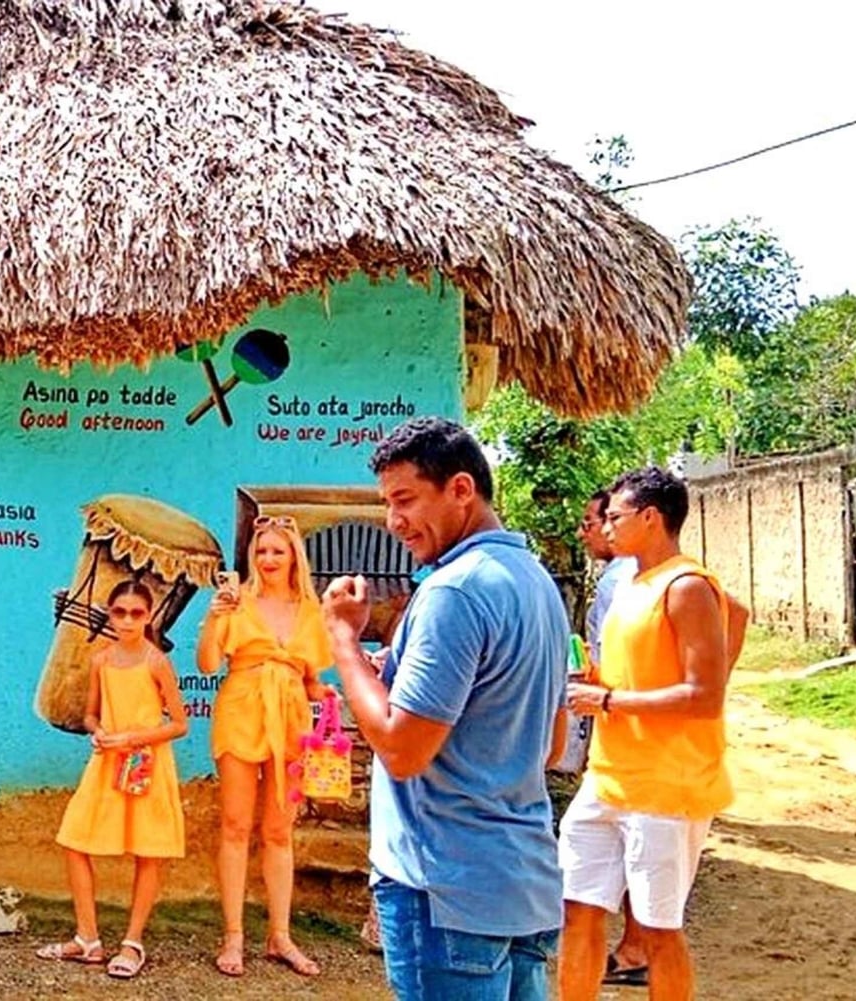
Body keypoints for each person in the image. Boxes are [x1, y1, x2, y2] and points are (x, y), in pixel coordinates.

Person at [321, 416, 569, 1000]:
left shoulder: (453, 592)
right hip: (521, 885)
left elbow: (403, 750)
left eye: (405, 499)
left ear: (461, 489)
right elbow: (551, 746)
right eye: (387, 503)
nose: (394, 522)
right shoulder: (535, 583)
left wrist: (343, 642)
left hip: (446, 889)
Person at [558, 467, 749, 1001]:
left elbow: (704, 696)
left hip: (668, 788)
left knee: (659, 930)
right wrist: (597, 682)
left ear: (650, 518)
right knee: (578, 908)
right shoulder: (633, 583)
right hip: (609, 779)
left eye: (615, 516)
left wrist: (612, 701)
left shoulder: (685, 586)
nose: (606, 526)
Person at [197, 515, 332, 978]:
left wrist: (330, 701)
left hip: (291, 718)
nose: (268, 559)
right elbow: (209, 662)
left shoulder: (310, 610)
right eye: (261, 551)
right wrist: (213, 617)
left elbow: (313, 678)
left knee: (279, 832)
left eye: (277, 550)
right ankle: (233, 935)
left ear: (294, 555)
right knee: (235, 825)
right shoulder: (237, 602)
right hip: (240, 708)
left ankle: (280, 936)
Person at [39, 581, 188, 979]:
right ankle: (87, 936)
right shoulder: (101, 660)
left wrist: (132, 737)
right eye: (119, 612)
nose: (126, 620)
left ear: (149, 615)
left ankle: (132, 942)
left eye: (136, 613)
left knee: (147, 850)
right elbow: (91, 713)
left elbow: (179, 724)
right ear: (109, 612)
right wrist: (98, 731)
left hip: (146, 764)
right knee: (74, 839)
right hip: (107, 763)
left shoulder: (157, 662)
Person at [572, 490, 647, 987]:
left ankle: (637, 948)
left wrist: (613, 700)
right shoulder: (618, 577)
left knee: (635, 843)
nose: (587, 531)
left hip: (635, 736)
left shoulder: (632, 578)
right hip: (614, 728)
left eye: (594, 521)